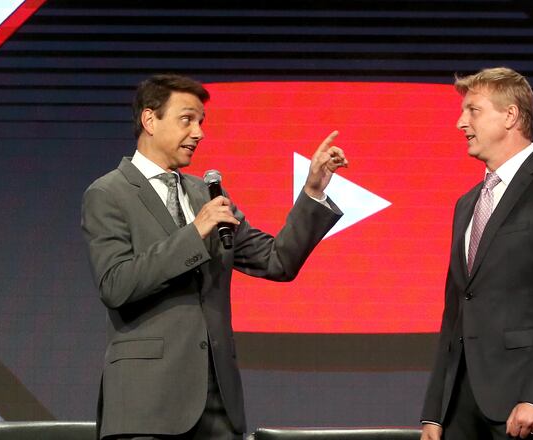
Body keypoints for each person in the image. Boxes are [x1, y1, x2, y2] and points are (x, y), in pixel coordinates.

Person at [81, 74, 348, 440]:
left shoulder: (205, 194)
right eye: (187, 119)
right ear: (149, 120)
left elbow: (276, 261)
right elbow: (116, 284)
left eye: (201, 122)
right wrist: (194, 234)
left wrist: (313, 190)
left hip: (217, 408)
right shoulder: (108, 193)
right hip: (146, 406)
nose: (199, 133)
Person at [420, 67, 533, 440]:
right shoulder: (467, 203)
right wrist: (435, 413)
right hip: (461, 410)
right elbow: (456, 311)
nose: (460, 122)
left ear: (510, 115)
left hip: (524, 405)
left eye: (473, 110)